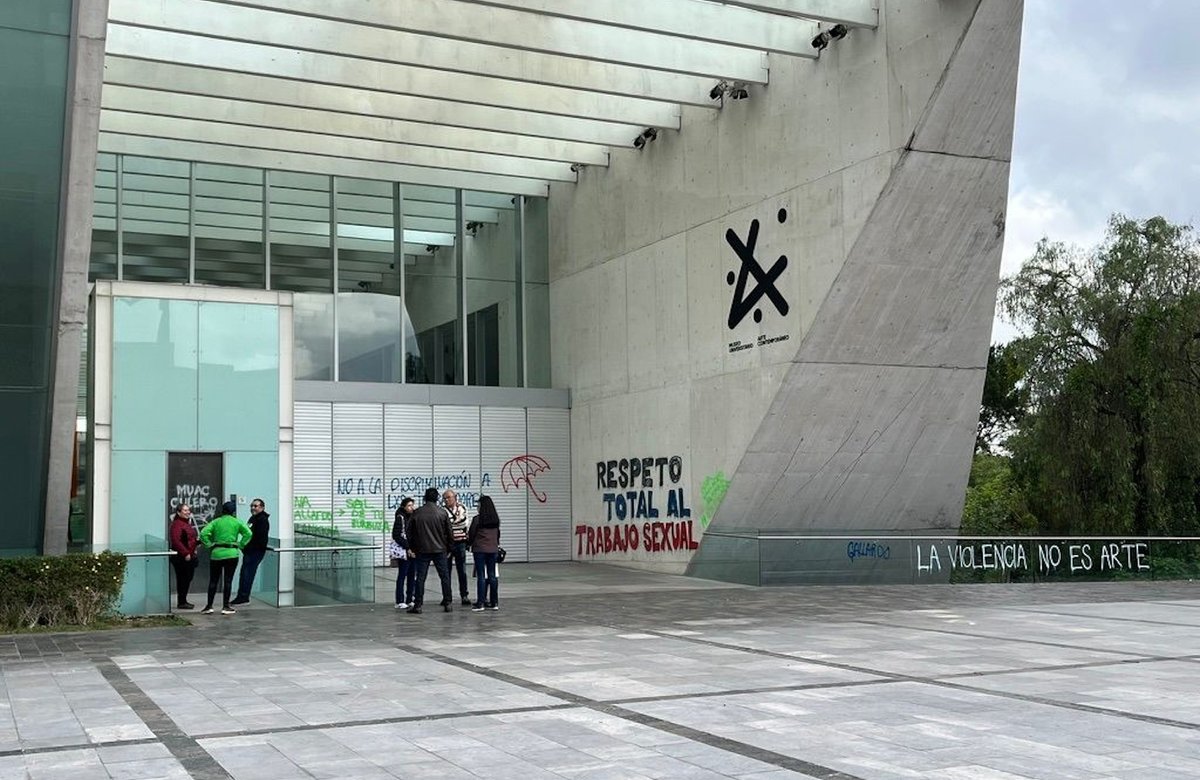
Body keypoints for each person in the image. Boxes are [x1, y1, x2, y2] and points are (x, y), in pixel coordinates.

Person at [198, 500, 252, 615]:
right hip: (232, 553)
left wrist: (209, 544)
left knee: (213, 580)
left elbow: (203, 533)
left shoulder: (216, 522)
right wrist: (241, 544)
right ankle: (226, 606)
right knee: (228, 580)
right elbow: (248, 533)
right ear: (233, 511)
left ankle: (209, 606)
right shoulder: (237, 522)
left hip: (216, 554)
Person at [406, 487, 454, 614]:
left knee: (421, 578)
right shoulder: (442, 513)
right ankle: (448, 602)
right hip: (440, 550)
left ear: (425, 498)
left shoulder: (417, 513)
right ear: (437, 498)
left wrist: (413, 547)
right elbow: (449, 533)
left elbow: (409, 531)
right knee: (444, 577)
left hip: (423, 550)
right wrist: (450, 548)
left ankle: (418, 605)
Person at [231, 498, 269, 606]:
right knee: (244, 573)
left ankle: (243, 597)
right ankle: (242, 596)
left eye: (255, 506)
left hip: (255, 552)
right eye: (252, 506)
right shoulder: (253, 518)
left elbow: (259, 538)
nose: (253, 508)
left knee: (247, 574)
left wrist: (249, 548)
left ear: (262, 507)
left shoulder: (262, 520)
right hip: (249, 551)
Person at [467, 495, 501, 612]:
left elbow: (471, 534)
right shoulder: (495, 519)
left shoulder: (477, 519)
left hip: (480, 550)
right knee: (492, 576)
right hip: (493, 550)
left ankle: (480, 602)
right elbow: (498, 535)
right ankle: (494, 602)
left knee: (481, 575)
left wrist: (469, 544)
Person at [443, 489, 472, 606]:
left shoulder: (462, 508)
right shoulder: (442, 510)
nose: (446, 500)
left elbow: (464, 523)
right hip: (447, 544)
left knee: (462, 570)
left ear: (455, 497)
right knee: (446, 571)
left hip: (460, 543)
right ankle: (447, 596)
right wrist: (454, 523)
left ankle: (464, 595)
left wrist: (451, 524)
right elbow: (444, 525)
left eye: (449, 497)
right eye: (444, 498)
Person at [168, 505, 199, 610]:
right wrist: (185, 553)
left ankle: (183, 600)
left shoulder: (186, 523)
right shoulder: (177, 525)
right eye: (185, 510)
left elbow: (189, 539)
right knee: (183, 579)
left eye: (188, 510)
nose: (187, 512)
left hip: (189, 555)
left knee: (187, 578)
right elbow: (176, 541)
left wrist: (197, 543)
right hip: (182, 557)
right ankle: (182, 601)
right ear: (178, 512)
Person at [391, 497, 417, 609]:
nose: (412, 508)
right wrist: (407, 548)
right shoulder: (400, 518)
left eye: (412, 505)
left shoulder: (413, 517)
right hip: (404, 551)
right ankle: (399, 600)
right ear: (404, 507)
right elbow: (396, 535)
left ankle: (409, 598)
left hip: (413, 550)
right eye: (409, 505)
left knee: (412, 575)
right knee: (402, 575)